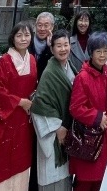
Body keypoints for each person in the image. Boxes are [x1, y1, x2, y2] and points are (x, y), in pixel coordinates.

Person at [0, 22, 38, 191]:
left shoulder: (32, 59)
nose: (23, 39)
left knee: (22, 159)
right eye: (19, 35)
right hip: (6, 119)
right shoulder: (4, 61)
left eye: (27, 35)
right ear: (12, 38)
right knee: (3, 159)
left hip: (25, 119)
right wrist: (20, 102)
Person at [69, 32, 107, 191]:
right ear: (91, 52)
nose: (103, 55)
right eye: (98, 51)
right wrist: (97, 117)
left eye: (106, 51)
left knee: (103, 182)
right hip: (90, 139)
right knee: (86, 182)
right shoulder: (82, 77)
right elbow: (75, 107)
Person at [32, 30, 76, 191]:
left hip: (67, 129)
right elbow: (39, 106)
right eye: (58, 46)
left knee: (66, 178)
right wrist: (58, 128)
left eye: (66, 45)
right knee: (53, 179)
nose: (63, 49)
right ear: (52, 49)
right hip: (54, 133)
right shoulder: (49, 73)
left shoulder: (69, 66)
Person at [32, 12, 55, 77]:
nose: (42, 29)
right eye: (39, 25)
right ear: (35, 26)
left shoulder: (56, 45)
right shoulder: (28, 42)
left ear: (52, 27)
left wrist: (50, 47)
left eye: (46, 25)